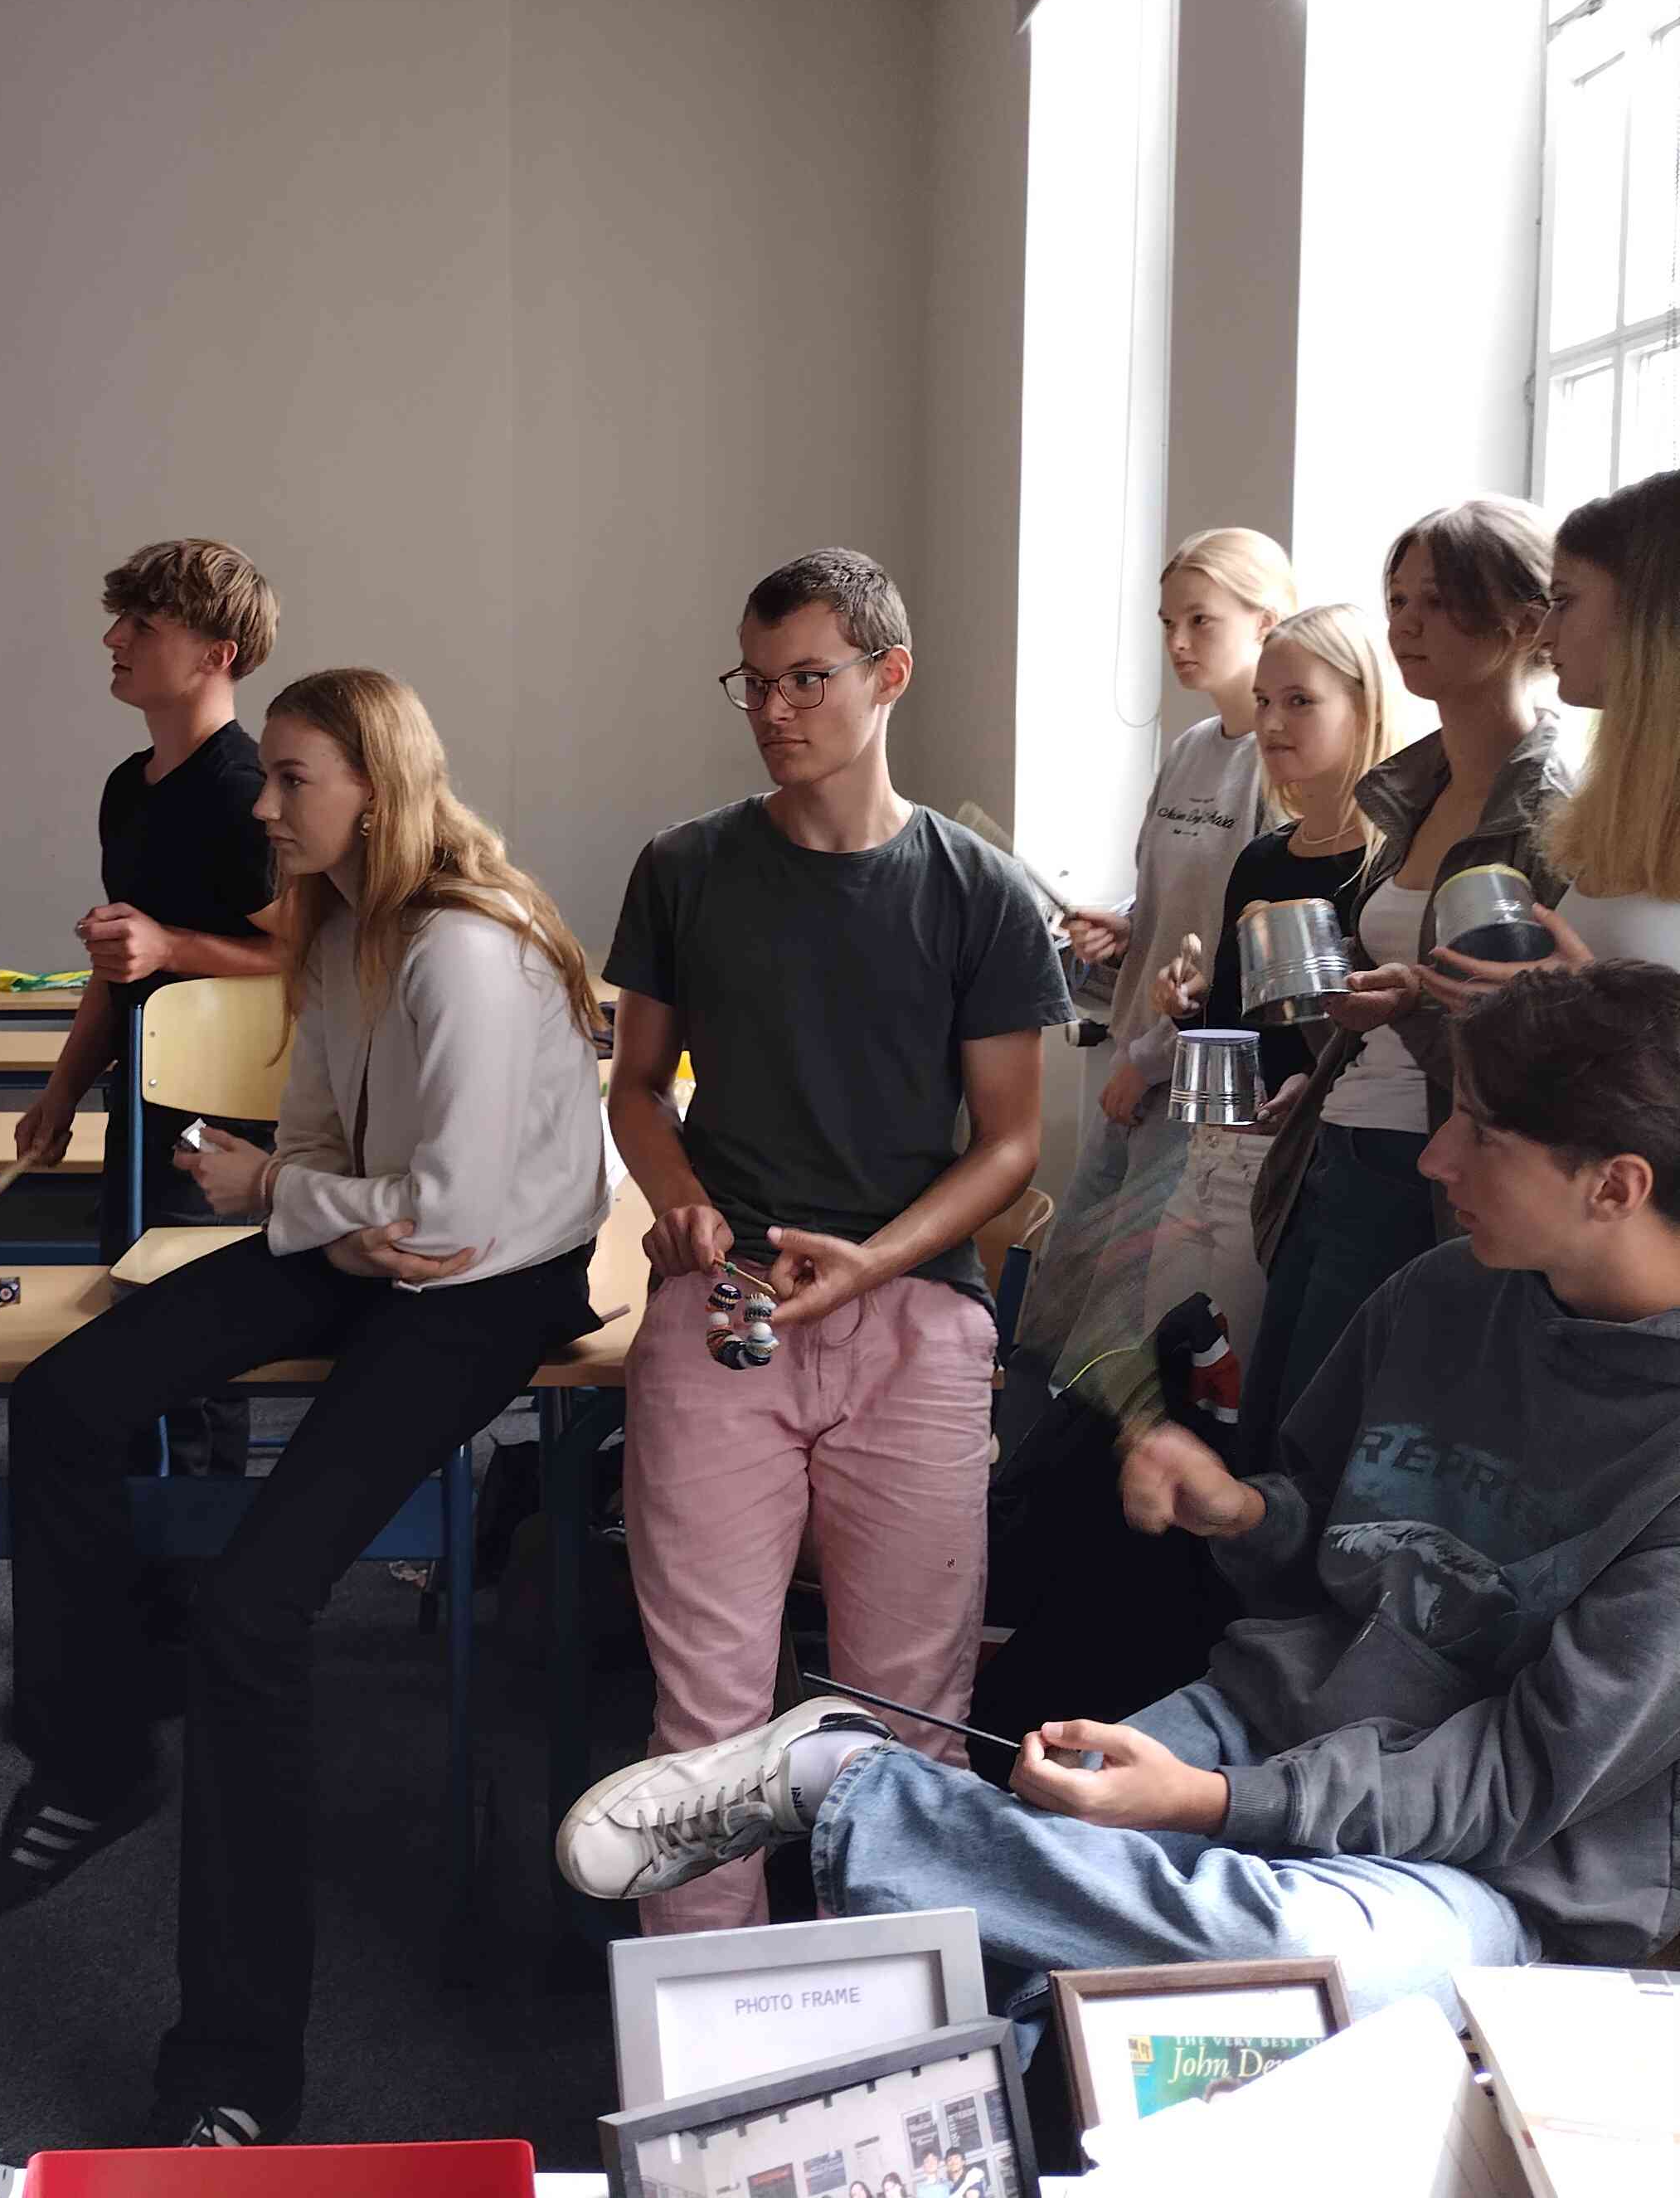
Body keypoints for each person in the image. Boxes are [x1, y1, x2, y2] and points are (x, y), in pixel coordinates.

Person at [561, 961, 1680, 2040]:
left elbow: (1515, 1780)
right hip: (1263, 1724)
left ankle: (840, 1784)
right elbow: (1337, 1544)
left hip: (1494, 1871)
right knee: (1040, 1906)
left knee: (1274, 1948)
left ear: (1615, 1187)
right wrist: (1245, 1515)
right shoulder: (1438, 1295)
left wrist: (1211, 1807)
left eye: (1480, 1132)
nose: (1434, 1157)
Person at [0, 667, 609, 2147]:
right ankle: (99, 1756)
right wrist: (325, 1209)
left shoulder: (463, 948)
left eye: (293, 779)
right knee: (63, 1401)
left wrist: (293, 1198)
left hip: (490, 1285)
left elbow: (451, 1222)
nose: (265, 804)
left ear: (376, 790)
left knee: (254, 1605)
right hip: (363, 1238)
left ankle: (235, 2071)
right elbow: (334, 1153)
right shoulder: (336, 926)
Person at [604, 547, 1072, 1937]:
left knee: (909, 1719)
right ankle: (709, 2035)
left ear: (888, 676)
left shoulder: (980, 891)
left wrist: (877, 1262)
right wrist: (676, 1194)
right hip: (728, 1297)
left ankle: (895, 2030)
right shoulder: (687, 867)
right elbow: (638, 1087)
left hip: (914, 1312)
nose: (773, 710)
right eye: (754, 682)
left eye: (807, 679)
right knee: (707, 1724)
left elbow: (1009, 1143)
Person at [1241, 498, 1572, 1467]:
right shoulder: (1412, 788)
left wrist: (1414, 1000)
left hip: (1423, 1163)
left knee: (1327, 1451)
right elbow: (1402, 993)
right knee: (1272, 1424)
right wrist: (1335, 1041)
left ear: (1524, 621)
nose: (1406, 625)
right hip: (1335, 1140)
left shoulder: (1551, 806)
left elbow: (1540, 1029)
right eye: (1397, 599)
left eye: (1439, 600)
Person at [9, 538, 285, 1484]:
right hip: (140, 1102)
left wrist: (172, 948)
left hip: (228, 1112)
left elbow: (308, 956)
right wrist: (61, 1091)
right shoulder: (128, 786)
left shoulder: (245, 792)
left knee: (194, 1351)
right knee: (135, 1325)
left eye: (142, 625)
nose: (113, 639)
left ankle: (200, 1549)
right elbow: (118, 963)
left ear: (217, 654)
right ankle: (148, 1535)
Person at [1015, 528, 1297, 1387]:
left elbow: (1243, 955)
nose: (1177, 642)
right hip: (1135, 1057)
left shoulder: (1279, 766)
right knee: (1065, 1284)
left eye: (1200, 620)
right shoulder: (1189, 748)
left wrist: (1150, 1058)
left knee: (1127, 1315)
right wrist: (1127, 924)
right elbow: (1178, 902)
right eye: (1167, 622)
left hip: (1193, 1077)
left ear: (1266, 621)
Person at [1141, 604, 1404, 1378]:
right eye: (1263, 701)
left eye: (1300, 701)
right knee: (1165, 1369)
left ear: (1364, 707)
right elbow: (1237, 1021)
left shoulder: (1388, 869)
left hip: (1301, 1168)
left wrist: (1309, 1082)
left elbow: (1372, 1039)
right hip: (1212, 1152)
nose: (1272, 722)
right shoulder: (1261, 858)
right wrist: (1189, 1003)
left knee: (1241, 1387)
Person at [1420, 466, 1680, 1005]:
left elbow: (1605, 1001)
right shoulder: (1617, 805)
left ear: (1649, 609)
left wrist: (1584, 1001)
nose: (1544, 633)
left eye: (1564, 601)